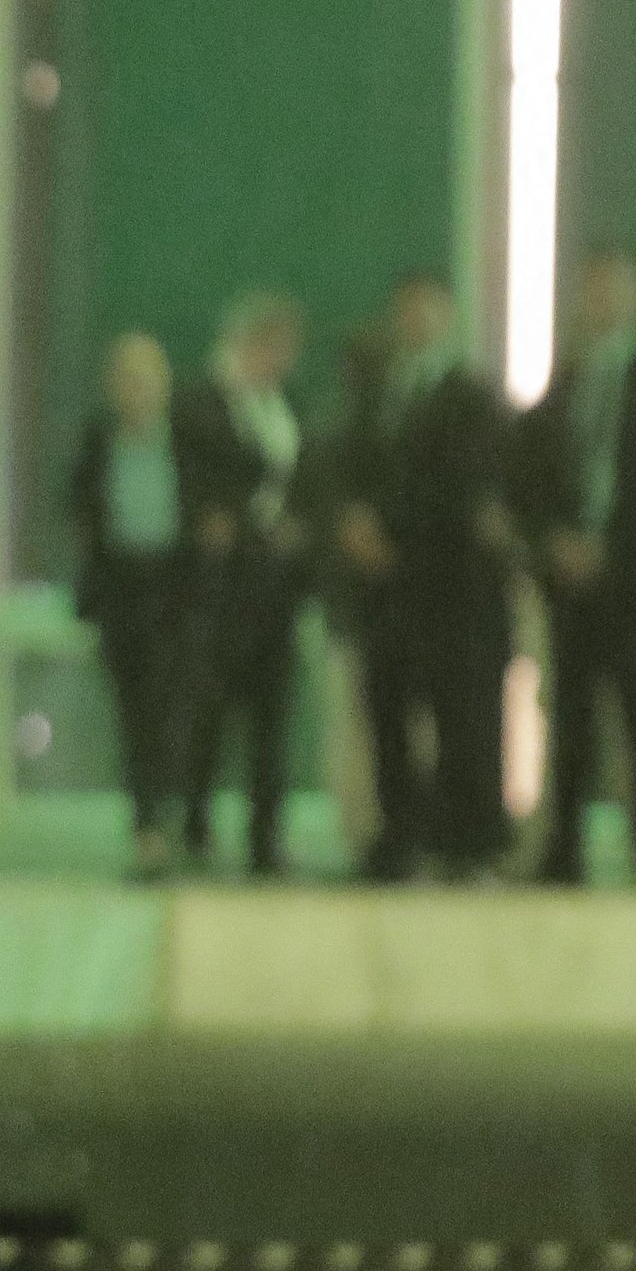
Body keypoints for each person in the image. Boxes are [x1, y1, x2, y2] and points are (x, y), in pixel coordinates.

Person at [515, 250, 636, 887]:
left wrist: (612, 548)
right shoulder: (566, 379)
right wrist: (554, 544)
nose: (601, 302)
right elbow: (536, 475)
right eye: (591, 291)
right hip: (570, 582)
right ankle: (562, 849)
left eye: (613, 289)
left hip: (635, 575)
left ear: (635, 296)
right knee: (571, 717)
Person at [335, 272, 517, 882]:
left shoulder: (470, 395)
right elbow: (347, 468)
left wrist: (391, 528)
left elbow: (464, 488)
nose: (415, 321)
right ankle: (399, 836)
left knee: (459, 714)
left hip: (448, 587)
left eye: (427, 310)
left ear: (448, 318)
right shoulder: (375, 392)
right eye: (406, 310)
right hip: (383, 592)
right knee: (386, 712)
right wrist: (354, 523)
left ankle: (466, 841)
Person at [175, 292, 311, 878]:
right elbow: (204, 483)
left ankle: (265, 837)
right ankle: (195, 826)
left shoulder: (286, 408)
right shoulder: (201, 404)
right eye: (274, 347)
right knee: (207, 711)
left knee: (270, 716)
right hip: (218, 587)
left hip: (276, 587)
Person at [68, 332, 196, 877]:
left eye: (145, 379)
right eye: (125, 380)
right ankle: (146, 826)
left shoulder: (187, 442)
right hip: (121, 589)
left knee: (173, 711)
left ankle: (178, 819)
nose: (136, 391)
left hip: (173, 588)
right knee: (134, 714)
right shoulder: (99, 442)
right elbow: (78, 506)